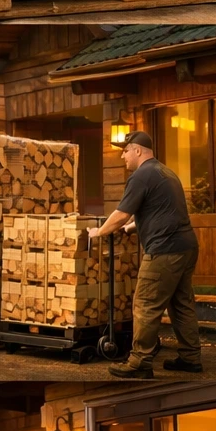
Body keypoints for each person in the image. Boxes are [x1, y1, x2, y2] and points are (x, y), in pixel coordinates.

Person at [87, 129, 202, 379]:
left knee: (145, 304)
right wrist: (133, 227)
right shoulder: (166, 173)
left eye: (125, 151)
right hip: (186, 247)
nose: (123, 157)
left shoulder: (141, 176)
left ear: (138, 151)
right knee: (181, 304)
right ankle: (190, 357)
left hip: (165, 251)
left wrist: (99, 232)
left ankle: (139, 362)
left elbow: (121, 214)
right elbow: (160, 210)